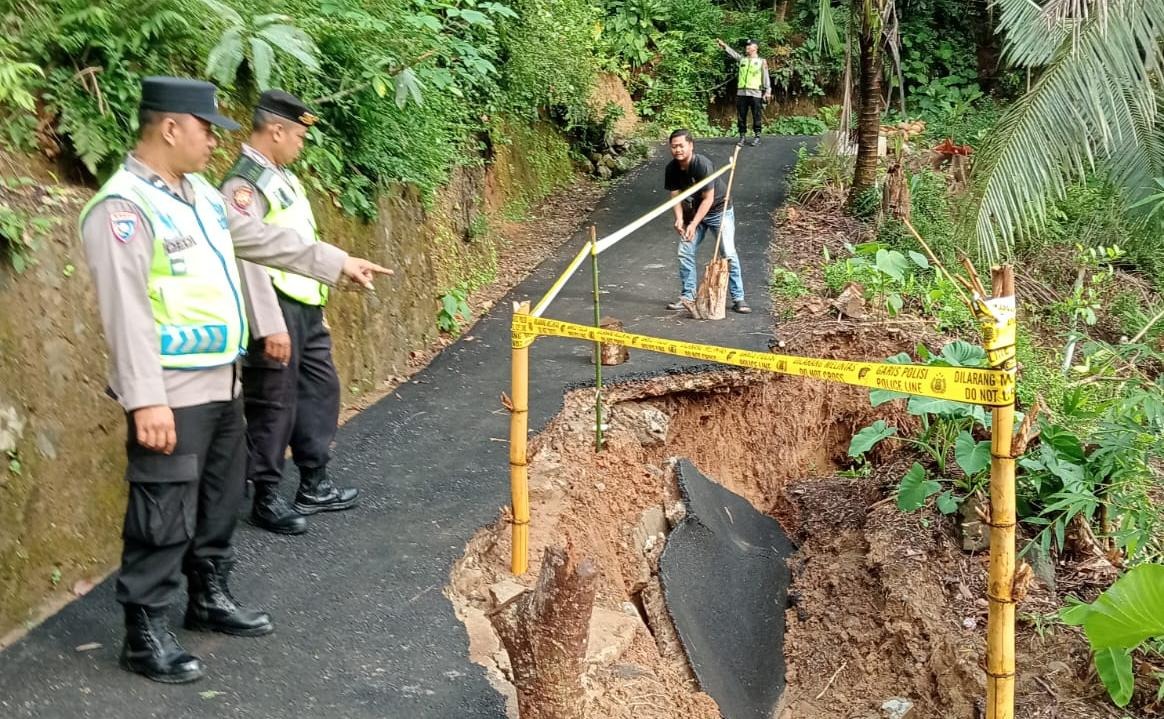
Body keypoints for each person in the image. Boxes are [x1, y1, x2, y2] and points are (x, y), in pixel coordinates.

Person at [79, 76, 391, 684]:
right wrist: (146, 401)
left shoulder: (196, 194)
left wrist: (336, 261)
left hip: (222, 382)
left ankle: (209, 597)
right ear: (170, 127)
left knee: (220, 498)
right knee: (163, 507)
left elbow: (260, 239)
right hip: (170, 391)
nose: (212, 145)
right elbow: (126, 311)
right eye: (204, 131)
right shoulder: (122, 209)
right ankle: (145, 634)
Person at [220, 90, 355, 536]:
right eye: (298, 134)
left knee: (319, 390)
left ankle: (314, 482)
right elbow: (247, 254)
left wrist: (319, 304)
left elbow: (299, 239)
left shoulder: (282, 177)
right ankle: (265, 495)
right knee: (273, 404)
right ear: (275, 130)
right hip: (276, 306)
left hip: (305, 305)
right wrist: (268, 323)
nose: (302, 142)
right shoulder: (245, 185)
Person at [662, 129, 750, 315]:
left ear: (691, 146)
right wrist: (679, 219)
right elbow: (675, 197)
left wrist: (693, 224)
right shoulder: (671, 169)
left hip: (719, 210)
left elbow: (708, 199)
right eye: (674, 146)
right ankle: (688, 296)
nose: (677, 150)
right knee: (685, 251)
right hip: (695, 212)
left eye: (681, 146)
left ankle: (738, 298)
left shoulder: (702, 164)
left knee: (728, 253)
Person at [715, 38, 772, 148]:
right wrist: (724, 46)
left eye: (749, 46)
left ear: (755, 48)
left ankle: (757, 136)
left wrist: (768, 91)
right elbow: (733, 54)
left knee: (757, 115)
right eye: (746, 46)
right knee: (741, 116)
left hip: (755, 93)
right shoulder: (743, 60)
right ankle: (742, 136)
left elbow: (766, 77)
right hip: (742, 93)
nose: (747, 47)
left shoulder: (761, 62)